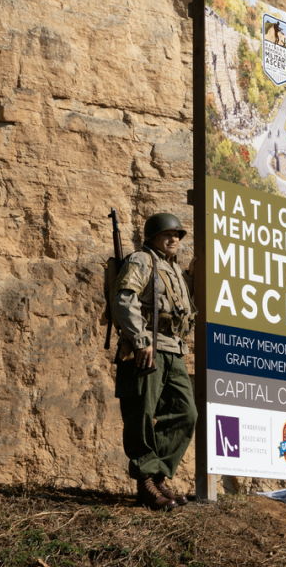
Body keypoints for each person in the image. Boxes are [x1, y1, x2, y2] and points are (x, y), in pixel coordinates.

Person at [112, 212, 198, 511]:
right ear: (152, 237)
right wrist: (140, 339)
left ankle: (158, 472)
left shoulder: (173, 269)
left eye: (177, 234)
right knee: (141, 413)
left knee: (186, 413)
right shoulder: (142, 260)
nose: (173, 238)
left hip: (173, 349)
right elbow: (124, 298)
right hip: (148, 346)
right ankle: (148, 483)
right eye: (167, 234)